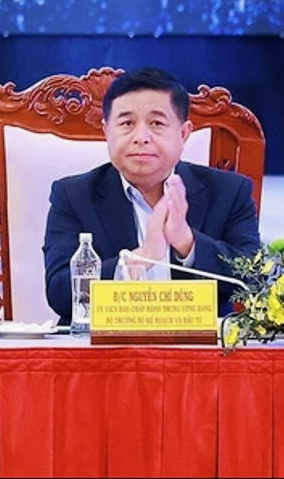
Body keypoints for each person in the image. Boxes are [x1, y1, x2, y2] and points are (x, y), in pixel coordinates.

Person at [43, 67, 261, 321]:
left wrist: (187, 243)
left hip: (198, 344)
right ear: (106, 132)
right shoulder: (73, 195)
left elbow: (252, 280)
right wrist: (141, 258)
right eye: (127, 123)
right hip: (105, 343)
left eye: (156, 123)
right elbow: (60, 293)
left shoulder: (229, 191)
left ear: (183, 133)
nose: (141, 137)